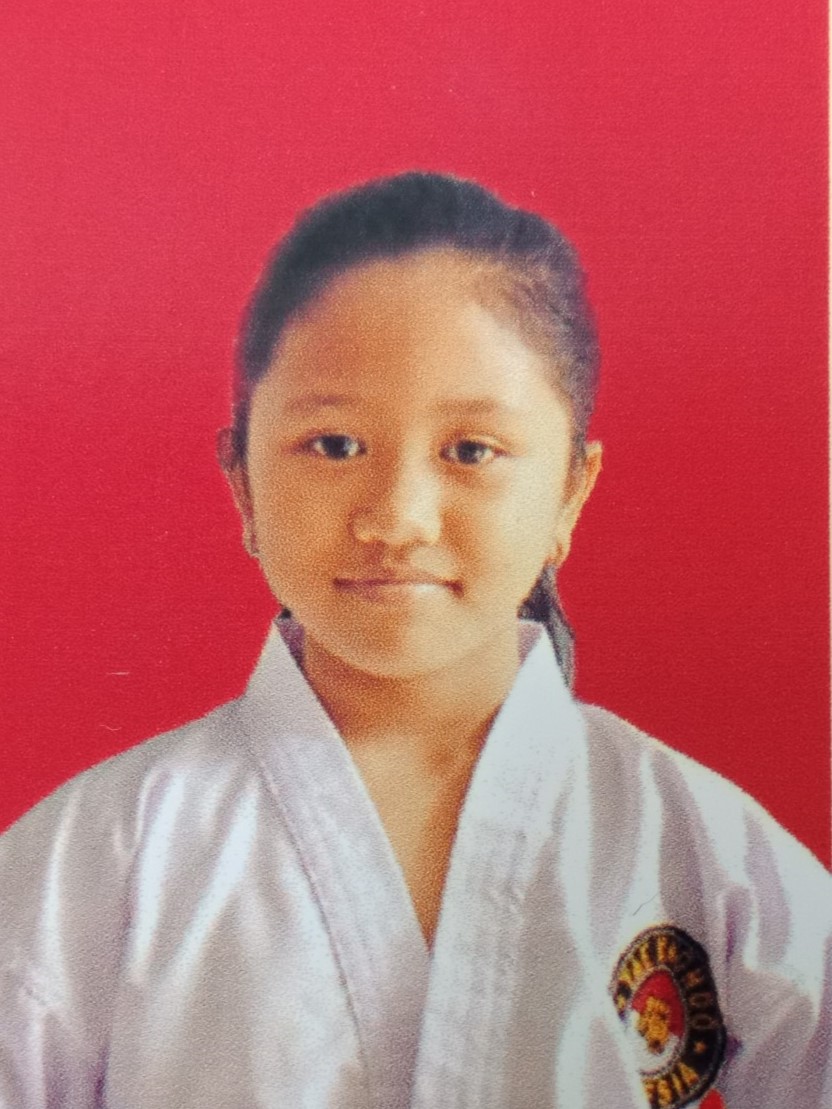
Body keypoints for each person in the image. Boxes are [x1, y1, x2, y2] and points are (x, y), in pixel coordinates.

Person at [0, 171, 829, 1109]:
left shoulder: (696, 844)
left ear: (570, 491)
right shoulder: (97, 856)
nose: (396, 517)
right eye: (334, 444)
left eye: (470, 450)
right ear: (241, 483)